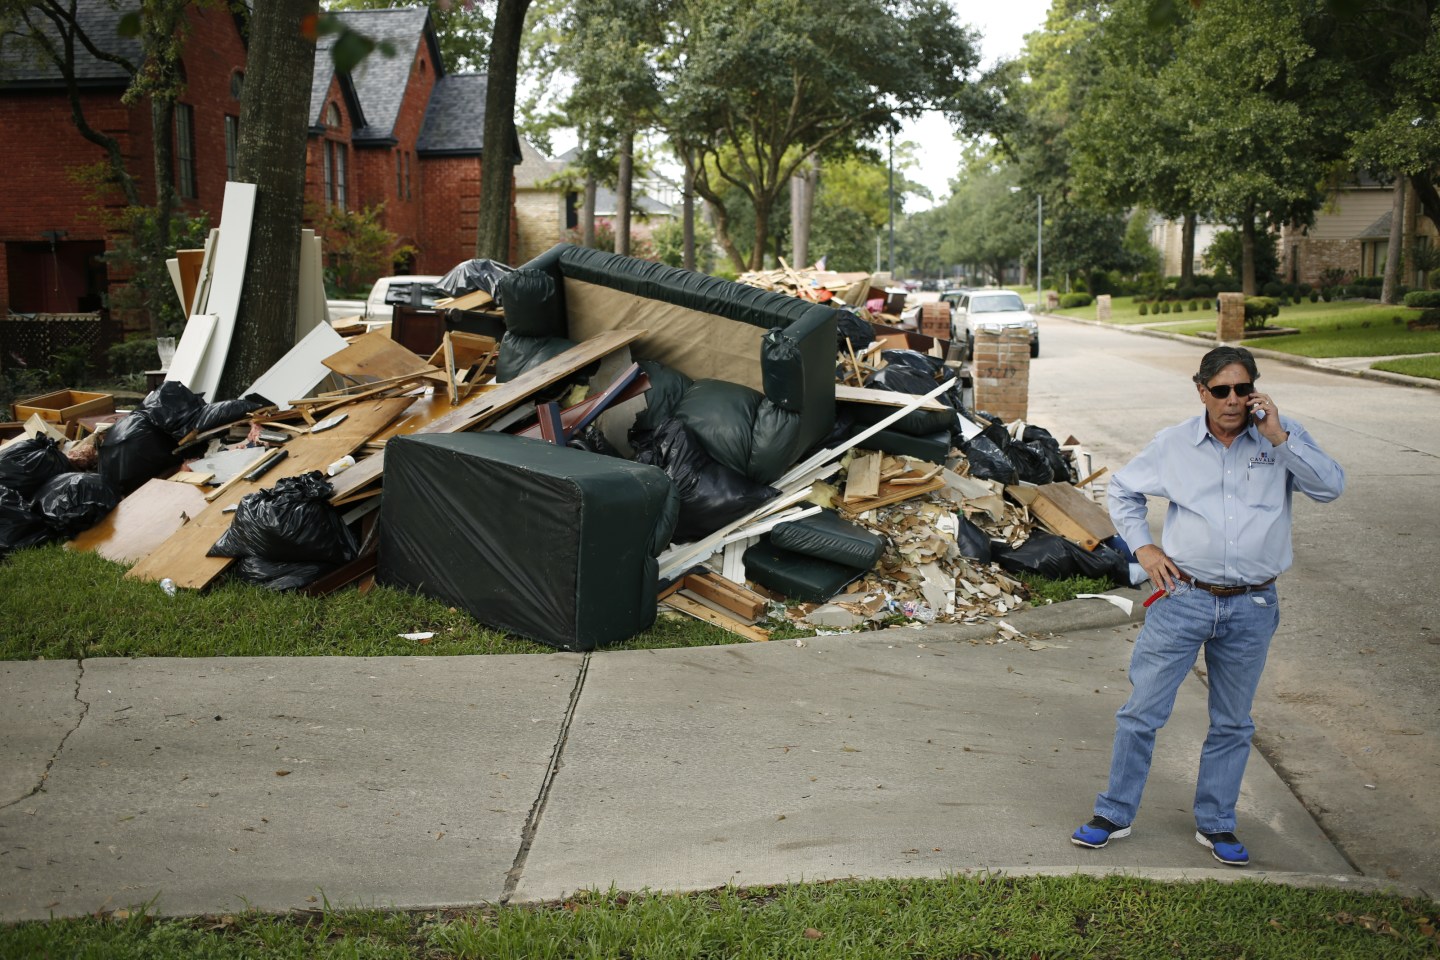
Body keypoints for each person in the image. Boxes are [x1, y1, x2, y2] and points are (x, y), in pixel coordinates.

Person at [1071, 345, 1345, 866]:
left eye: (1243, 389)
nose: (1233, 400)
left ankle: (1217, 822)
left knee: (1233, 722)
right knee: (1141, 713)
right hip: (1183, 598)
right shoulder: (1173, 444)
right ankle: (1114, 813)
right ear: (1202, 391)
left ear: (1256, 391)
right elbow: (1124, 491)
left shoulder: (1280, 438)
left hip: (1253, 604)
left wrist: (1280, 439)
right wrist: (1144, 548)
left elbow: (1330, 488)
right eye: (1221, 390)